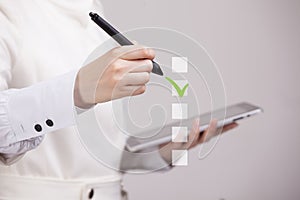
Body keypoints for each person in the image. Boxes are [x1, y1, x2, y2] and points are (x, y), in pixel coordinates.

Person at [0, 1, 237, 199]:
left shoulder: (93, 16)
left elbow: (97, 153)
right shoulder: (9, 11)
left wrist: (163, 152)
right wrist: (78, 89)